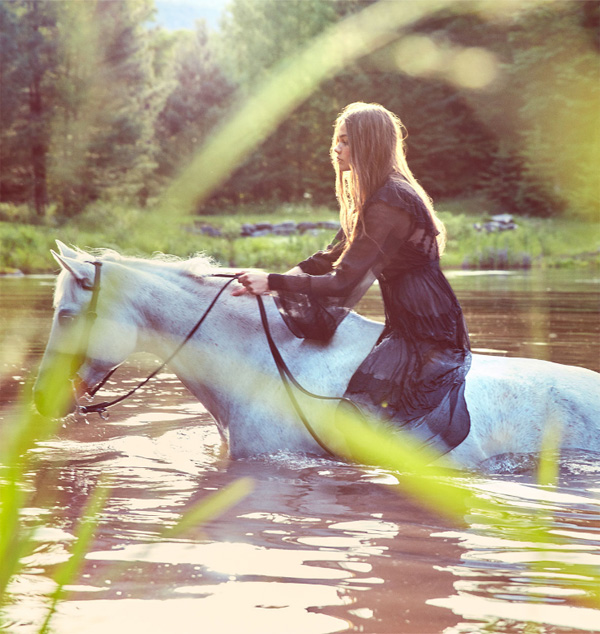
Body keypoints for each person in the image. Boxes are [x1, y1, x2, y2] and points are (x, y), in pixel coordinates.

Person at [233, 102, 471, 455]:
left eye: (345, 141)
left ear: (368, 144)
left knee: (364, 420)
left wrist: (272, 282)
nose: (336, 149)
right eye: (337, 140)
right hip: (408, 319)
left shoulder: (389, 201)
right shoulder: (379, 194)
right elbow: (332, 255)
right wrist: (279, 277)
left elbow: (343, 281)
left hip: (427, 329)